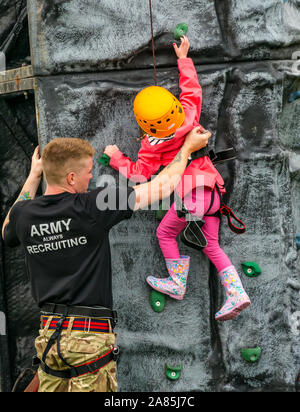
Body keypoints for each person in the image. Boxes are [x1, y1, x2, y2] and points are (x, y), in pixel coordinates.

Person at [1, 126, 210, 392]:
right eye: (88, 172)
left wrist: (33, 174)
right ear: (71, 176)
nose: (91, 177)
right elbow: (162, 186)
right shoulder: (92, 205)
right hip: (89, 338)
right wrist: (187, 149)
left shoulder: (26, 215)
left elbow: (7, 226)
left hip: (49, 338)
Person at [104, 36, 251, 321]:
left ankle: (177, 282)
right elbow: (191, 88)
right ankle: (236, 293)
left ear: (144, 123)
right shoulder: (189, 115)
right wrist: (183, 57)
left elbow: (138, 174)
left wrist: (114, 157)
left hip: (192, 197)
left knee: (165, 233)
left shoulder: (151, 146)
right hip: (212, 194)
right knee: (211, 245)